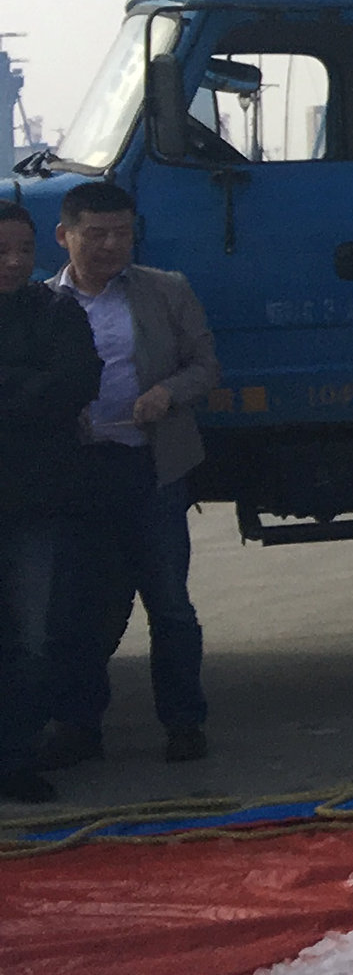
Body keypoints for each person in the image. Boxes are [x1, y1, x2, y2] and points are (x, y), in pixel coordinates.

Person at [39, 182, 220, 768]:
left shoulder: (166, 291)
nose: (110, 245)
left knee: (169, 605)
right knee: (80, 611)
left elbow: (206, 367)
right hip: (80, 476)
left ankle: (185, 724)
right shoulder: (42, 306)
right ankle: (79, 726)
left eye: (122, 233)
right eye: (96, 234)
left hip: (151, 468)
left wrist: (167, 393)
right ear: (65, 235)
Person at [0, 201, 99, 801]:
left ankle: (16, 758)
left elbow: (76, 382)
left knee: (31, 638)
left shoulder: (58, 311)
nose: (12, 263)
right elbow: (47, 388)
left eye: (21, 251)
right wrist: (27, 385)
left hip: (33, 506)